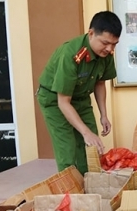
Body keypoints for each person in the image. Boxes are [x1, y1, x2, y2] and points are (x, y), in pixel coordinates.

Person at [36, 11, 122, 175]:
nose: (110, 48)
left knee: (91, 147)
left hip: (80, 98)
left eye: (114, 44)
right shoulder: (71, 54)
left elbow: (100, 82)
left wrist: (103, 115)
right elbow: (63, 101)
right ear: (91, 33)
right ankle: (71, 192)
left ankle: (87, 187)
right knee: (67, 147)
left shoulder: (106, 53)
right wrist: (85, 132)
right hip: (55, 99)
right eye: (105, 42)